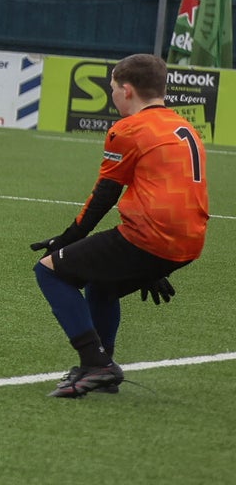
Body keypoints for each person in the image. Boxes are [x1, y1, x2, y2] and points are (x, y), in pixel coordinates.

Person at [30, 53, 208, 398]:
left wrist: (66, 239)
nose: (112, 95)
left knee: (49, 271)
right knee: (102, 284)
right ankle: (103, 372)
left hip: (153, 236)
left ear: (127, 90)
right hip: (188, 240)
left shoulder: (128, 129)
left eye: (112, 88)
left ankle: (96, 364)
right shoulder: (183, 127)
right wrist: (152, 264)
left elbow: (105, 194)